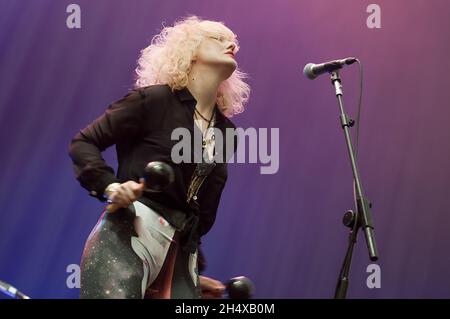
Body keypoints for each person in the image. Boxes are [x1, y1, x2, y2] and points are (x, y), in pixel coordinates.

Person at [68, 16, 250, 299]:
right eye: (218, 38)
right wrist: (111, 186)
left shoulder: (227, 132)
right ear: (190, 50)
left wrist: (191, 271)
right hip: (127, 238)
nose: (232, 44)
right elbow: (84, 143)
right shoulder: (153, 101)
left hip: (179, 254)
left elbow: (193, 208)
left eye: (234, 41)